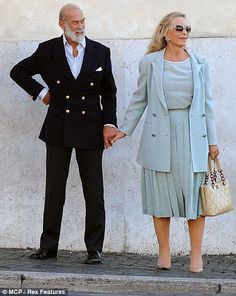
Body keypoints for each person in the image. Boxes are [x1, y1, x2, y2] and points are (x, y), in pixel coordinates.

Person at [10, 3, 117, 264]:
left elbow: (109, 92)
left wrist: (109, 124)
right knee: (55, 188)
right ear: (62, 24)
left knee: (94, 191)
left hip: (91, 127)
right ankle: (48, 246)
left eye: (82, 21)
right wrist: (41, 92)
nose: (80, 26)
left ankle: (94, 248)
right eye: (75, 22)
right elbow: (18, 71)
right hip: (59, 127)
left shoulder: (101, 52)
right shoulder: (47, 50)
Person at [112, 12, 219, 272]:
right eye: (179, 28)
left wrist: (213, 142)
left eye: (188, 28)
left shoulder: (200, 63)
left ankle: (196, 256)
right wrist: (124, 129)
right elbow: (140, 99)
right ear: (165, 33)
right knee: (161, 198)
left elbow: (207, 104)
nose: (185, 33)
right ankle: (164, 253)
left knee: (196, 200)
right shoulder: (150, 62)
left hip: (193, 136)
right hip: (158, 134)